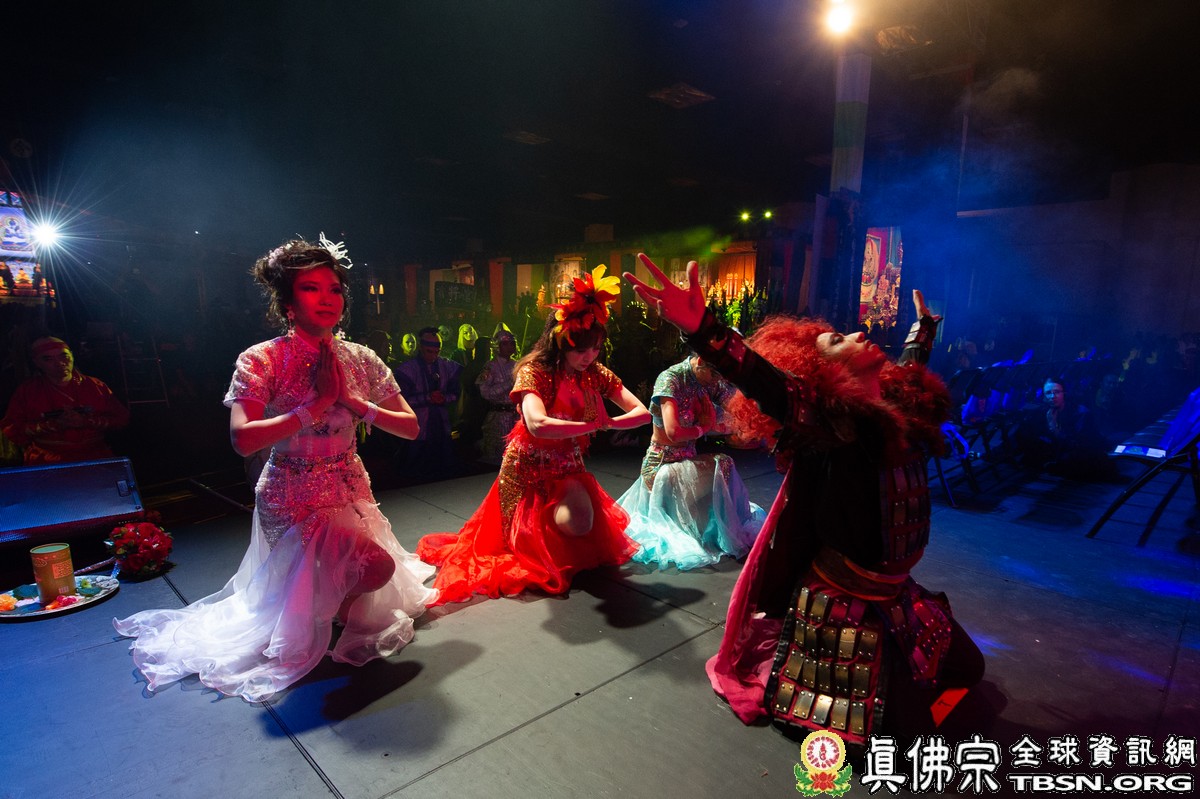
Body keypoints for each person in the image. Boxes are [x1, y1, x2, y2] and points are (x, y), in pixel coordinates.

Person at [625, 254, 983, 750]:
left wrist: (922, 332)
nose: (858, 334)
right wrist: (702, 328)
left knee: (969, 668)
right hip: (848, 603)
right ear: (822, 374)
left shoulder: (893, 406)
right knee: (910, 735)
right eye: (838, 340)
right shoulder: (830, 425)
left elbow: (907, 371)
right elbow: (766, 383)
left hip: (897, 595)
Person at [113, 236, 437, 702]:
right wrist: (315, 406)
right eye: (311, 288)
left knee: (358, 573)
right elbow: (242, 439)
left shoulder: (361, 358)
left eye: (334, 288)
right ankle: (322, 620)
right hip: (291, 492)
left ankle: (328, 615)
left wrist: (354, 402)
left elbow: (410, 427)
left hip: (349, 485)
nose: (326, 298)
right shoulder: (262, 358)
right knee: (375, 566)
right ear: (287, 302)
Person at [417, 266, 650, 604]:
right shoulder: (535, 371)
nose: (589, 357)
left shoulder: (595, 372)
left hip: (567, 466)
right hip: (527, 469)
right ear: (561, 343)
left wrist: (609, 424)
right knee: (519, 546)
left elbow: (642, 413)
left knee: (580, 524)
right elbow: (537, 423)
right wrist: (591, 426)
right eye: (581, 350)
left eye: (596, 349)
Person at [615, 354, 765, 570]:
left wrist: (752, 421)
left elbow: (738, 408)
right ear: (701, 361)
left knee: (710, 521)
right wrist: (704, 427)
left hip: (687, 465)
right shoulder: (671, 379)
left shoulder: (709, 381)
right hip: (663, 468)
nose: (717, 381)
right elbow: (673, 432)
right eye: (715, 375)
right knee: (723, 463)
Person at [1, 336, 130, 464]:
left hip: (95, 456)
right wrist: (52, 425)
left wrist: (86, 421)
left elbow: (122, 419)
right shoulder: (28, 391)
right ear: (37, 362)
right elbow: (11, 428)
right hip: (47, 460)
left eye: (64, 356)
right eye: (48, 359)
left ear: (72, 356)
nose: (60, 363)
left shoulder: (95, 386)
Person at [393, 326, 462, 481]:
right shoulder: (407, 369)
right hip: (418, 422)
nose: (433, 356)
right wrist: (427, 398)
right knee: (415, 465)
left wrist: (444, 398)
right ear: (421, 348)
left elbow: (456, 394)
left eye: (437, 352)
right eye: (429, 352)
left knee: (443, 465)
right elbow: (401, 401)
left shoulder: (447, 366)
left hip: (441, 422)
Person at [1014, 379, 1114, 479]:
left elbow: (1078, 443)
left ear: (1064, 394)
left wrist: (1054, 427)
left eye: (1057, 392)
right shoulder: (1044, 411)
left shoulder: (1080, 413)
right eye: (1048, 393)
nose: (1052, 396)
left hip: (1082, 453)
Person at [475, 328, 520, 464]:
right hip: (498, 417)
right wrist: (509, 383)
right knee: (498, 457)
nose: (510, 346)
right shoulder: (490, 366)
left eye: (512, 343)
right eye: (505, 344)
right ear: (497, 346)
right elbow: (485, 392)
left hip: (516, 417)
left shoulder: (517, 364)